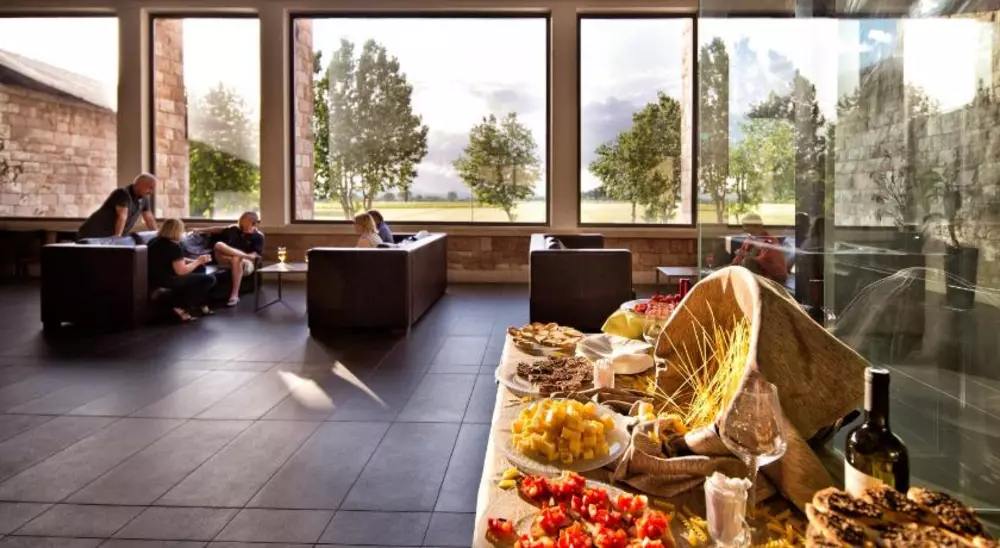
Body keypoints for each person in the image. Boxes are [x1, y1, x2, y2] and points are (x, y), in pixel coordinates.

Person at [147, 218, 216, 323]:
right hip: (169, 279)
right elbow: (181, 271)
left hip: (154, 277)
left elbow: (173, 259)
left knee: (200, 267)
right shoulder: (173, 246)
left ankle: (198, 303)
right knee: (210, 279)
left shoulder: (153, 242)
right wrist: (198, 261)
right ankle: (179, 305)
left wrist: (196, 262)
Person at [197, 212, 263, 307]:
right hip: (226, 259)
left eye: (247, 221)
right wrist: (199, 230)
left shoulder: (257, 236)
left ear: (253, 222)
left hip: (246, 263)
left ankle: (234, 295)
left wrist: (245, 257)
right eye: (243, 220)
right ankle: (242, 255)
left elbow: (255, 255)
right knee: (219, 245)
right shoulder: (234, 229)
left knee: (236, 259)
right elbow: (218, 229)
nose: (244, 223)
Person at [77, 173, 157, 239]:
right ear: (138, 184)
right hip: (92, 234)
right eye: (150, 187)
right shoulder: (123, 193)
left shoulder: (144, 198)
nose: (151, 192)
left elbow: (149, 218)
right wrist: (117, 237)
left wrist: (157, 236)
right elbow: (122, 216)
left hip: (108, 237)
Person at [731, 212, 788, 284]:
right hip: (752, 273)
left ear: (757, 226)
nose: (744, 229)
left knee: (749, 261)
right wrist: (732, 267)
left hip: (771, 276)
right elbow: (739, 256)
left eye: (746, 226)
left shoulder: (771, 242)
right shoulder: (749, 239)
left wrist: (748, 256)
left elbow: (772, 265)